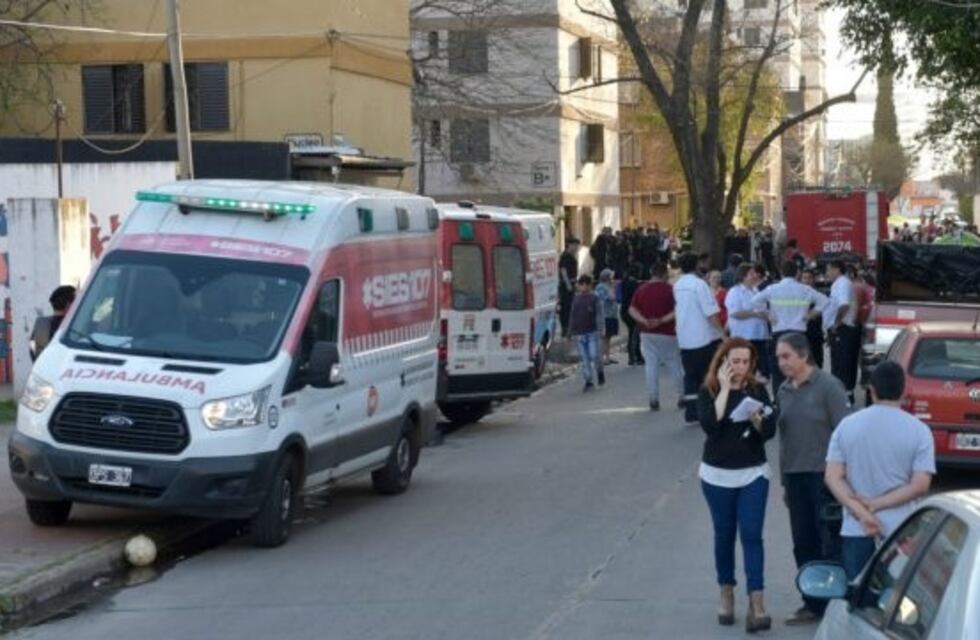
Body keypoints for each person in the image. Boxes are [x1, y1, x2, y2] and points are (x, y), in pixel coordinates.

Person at [824, 361, 935, 581]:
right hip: (901, 529)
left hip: (857, 527)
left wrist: (864, 512)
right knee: (897, 599)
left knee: (857, 597)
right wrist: (878, 504)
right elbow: (920, 485)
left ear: (871, 389)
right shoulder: (920, 431)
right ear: (904, 391)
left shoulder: (847, 426)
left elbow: (833, 477)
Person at [698, 338, 777, 632]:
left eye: (746, 362)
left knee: (752, 534)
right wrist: (726, 389)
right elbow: (709, 424)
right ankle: (726, 592)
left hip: (753, 473)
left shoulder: (758, 390)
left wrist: (758, 420)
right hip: (717, 475)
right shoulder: (709, 389)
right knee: (724, 534)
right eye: (735, 361)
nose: (741, 367)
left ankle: (757, 602)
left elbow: (769, 430)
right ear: (723, 361)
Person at [775, 333, 850, 625]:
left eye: (786, 356)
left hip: (825, 478)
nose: (781, 362)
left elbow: (846, 435)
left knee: (829, 543)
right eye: (779, 357)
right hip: (795, 477)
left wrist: (843, 480)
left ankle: (835, 606)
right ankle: (813, 603)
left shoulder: (829, 387)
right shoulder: (783, 390)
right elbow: (785, 440)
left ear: (804, 355)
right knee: (802, 542)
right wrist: (784, 481)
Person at [750, 261, 829, 393]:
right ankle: (801, 397)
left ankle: (780, 400)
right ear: (797, 274)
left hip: (779, 334)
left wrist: (767, 315)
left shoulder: (772, 289)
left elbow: (754, 302)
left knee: (779, 370)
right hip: (799, 335)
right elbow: (825, 301)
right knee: (800, 368)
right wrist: (809, 315)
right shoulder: (805, 289)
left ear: (781, 272)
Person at [674, 252, 724, 422]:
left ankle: (691, 412)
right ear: (696, 265)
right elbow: (710, 313)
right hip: (702, 337)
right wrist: (723, 334)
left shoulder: (677, 285)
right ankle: (707, 410)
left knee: (690, 375)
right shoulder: (700, 285)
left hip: (684, 337)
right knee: (706, 374)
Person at [630, 261, 684, 411]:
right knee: (674, 364)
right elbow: (676, 311)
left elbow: (632, 310)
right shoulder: (670, 290)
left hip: (647, 333)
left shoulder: (641, 289)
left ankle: (653, 398)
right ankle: (681, 396)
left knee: (651, 366)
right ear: (664, 273)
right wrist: (661, 320)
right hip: (667, 332)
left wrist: (644, 321)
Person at [726, 264, 771, 383]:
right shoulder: (735, 292)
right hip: (745, 336)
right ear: (743, 276)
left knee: (761, 371)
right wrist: (755, 314)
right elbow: (735, 313)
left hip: (760, 335)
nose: (755, 276)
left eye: (755, 273)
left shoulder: (756, 290)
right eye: (751, 273)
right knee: (746, 370)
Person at [825, 260, 860, 404]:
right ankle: (845, 396)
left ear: (836, 269)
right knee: (842, 364)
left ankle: (842, 398)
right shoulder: (840, 283)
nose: (826, 273)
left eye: (828, 269)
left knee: (841, 365)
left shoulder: (842, 283)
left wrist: (836, 323)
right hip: (843, 329)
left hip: (843, 329)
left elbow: (844, 305)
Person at [568, 274, 605, 392]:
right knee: (584, 359)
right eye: (581, 284)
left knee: (594, 355)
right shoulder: (576, 299)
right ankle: (588, 380)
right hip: (579, 333)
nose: (583, 287)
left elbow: (599, 314)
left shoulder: (595, 298)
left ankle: (599, 371)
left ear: (590, 285)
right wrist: (570, 331)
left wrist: (600, 328)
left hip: (592, 332)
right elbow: (573, 315)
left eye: (586, 284)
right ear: (578, 285)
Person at [29, 285, 77, 361]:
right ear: (68, 305)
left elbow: (32, 346)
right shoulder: (75, 325)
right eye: (76, 302)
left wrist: (37, 363)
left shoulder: (40, 323)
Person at [619, 262, 644, 366]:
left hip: (624, 310)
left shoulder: (625, 281)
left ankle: (635, 355)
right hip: (632, 310)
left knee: (632, 333)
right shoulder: (634, 283)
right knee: (634, 335)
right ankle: (635, 356)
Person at [800, 269, 825, 369]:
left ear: (814, 279)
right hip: (801, 332)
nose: (806, 281)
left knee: (817, 360)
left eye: (809, 278)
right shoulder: (798, 294)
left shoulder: (818, 294)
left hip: (815, 332)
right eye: (804, 278)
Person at [594, 269, 619, 365]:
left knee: (608, 338)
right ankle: (602, 357)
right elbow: (611, 297)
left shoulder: (608, 286)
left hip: (611, 315)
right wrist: (612, 288)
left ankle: (607, 356)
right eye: (611, 277)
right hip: (605, 315)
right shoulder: (601, 287)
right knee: (604, 337)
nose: (613, 279)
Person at [558, 238, 580, 338]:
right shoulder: (565, 256)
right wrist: (569, 286)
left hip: (572, 283)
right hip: (567, 285)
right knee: (566, 307)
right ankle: (566, 328)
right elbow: (563, 271)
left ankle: (569, 328)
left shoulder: (571, 256)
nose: (577, 248)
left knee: (570, 307)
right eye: (575, 245)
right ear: (570, 245)